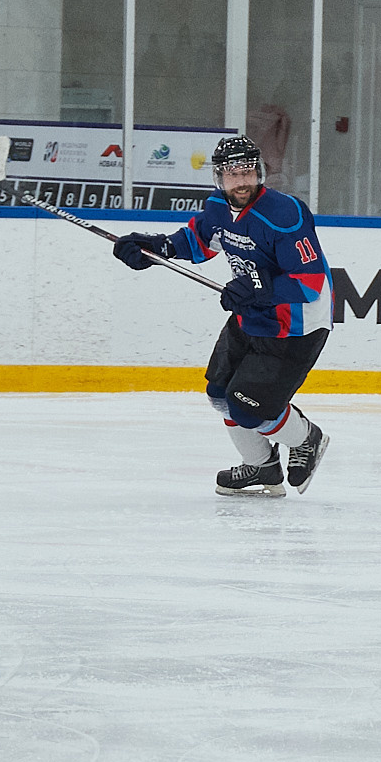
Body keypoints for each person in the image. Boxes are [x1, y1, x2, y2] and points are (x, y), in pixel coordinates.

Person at [111, 135, 331, 497]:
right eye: (232, 174)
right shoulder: (217, 208)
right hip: (250, 317)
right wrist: (153, 247)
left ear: (259, 172)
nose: (242, 181)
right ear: (219, 178)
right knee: (219, 393)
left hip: (295, 325)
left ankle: (307, 438)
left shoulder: (285, 214)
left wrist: (260, 290)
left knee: (250, 408)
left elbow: (309, 282)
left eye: (247, 172)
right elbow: (197, 242)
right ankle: (263, 467)